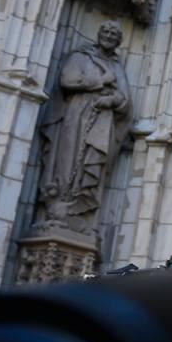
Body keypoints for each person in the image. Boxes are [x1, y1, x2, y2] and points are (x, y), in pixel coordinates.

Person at [35, 21, 132, 234]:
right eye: (105, 31)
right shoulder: (80, 57)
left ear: (119, 42)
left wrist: (113, 101)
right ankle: (59, 202)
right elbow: (67, 81)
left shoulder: (117, 68)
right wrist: (100, 81)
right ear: (98, 35)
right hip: (75, 117)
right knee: (67, 160)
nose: (108, 35)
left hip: (101, 122)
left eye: (114, 33)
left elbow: (126, 102)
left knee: (92, 163)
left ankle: (79, 209)